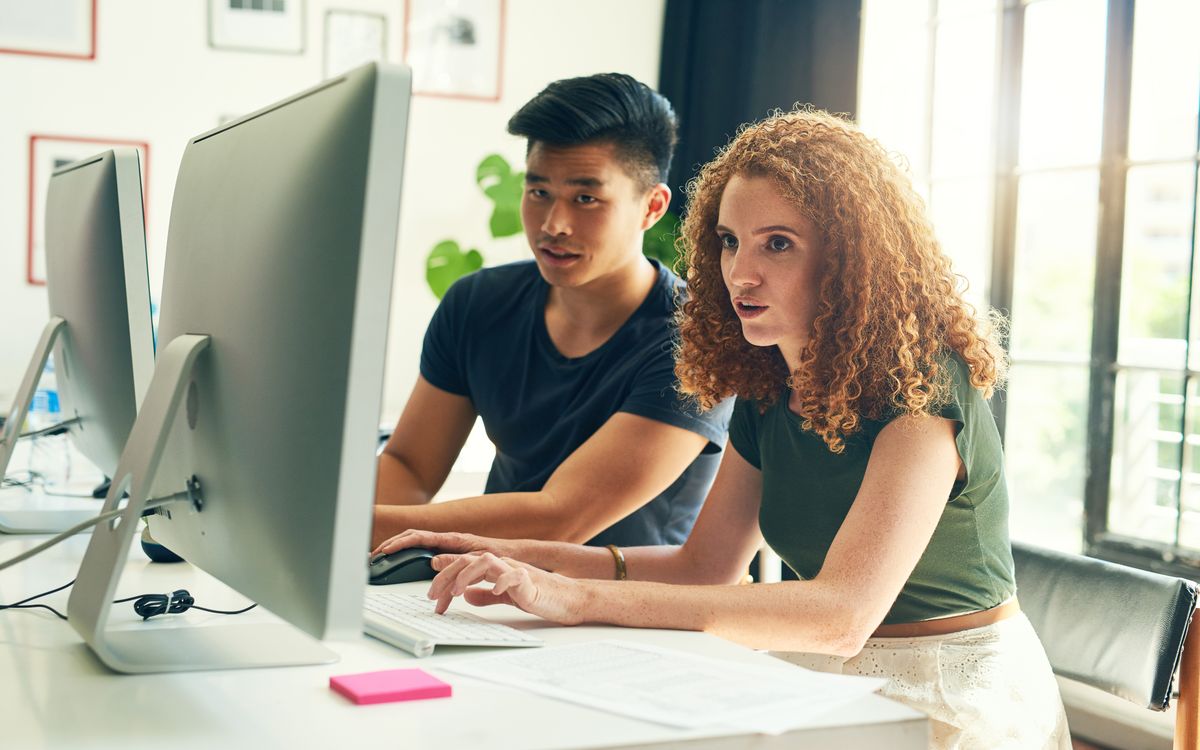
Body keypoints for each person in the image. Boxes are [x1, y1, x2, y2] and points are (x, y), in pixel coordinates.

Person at [374, 109, 1071, 748]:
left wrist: (574, 596)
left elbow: (841, 616)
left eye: (778, 245)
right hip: (822, 676)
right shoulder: (768, 385)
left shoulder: (922, 385)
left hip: (947, 687)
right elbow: (702, 567)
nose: (741, 272)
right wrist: (518, 557)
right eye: (731, 242)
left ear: (852, 257)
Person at [371, 73, 732, 549]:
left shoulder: (698, 339)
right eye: (539, 192)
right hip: (480, 583)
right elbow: (410, 468)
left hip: (622, 595)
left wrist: (345, 526)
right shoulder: (477, 304)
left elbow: (559, 518)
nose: (554, 224)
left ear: (652, 207)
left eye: (586, 198)